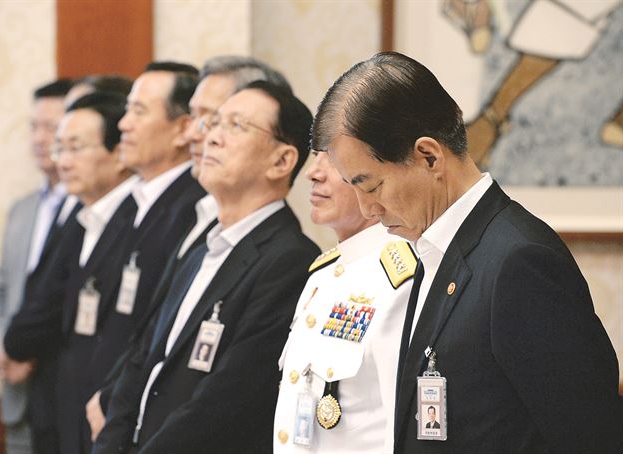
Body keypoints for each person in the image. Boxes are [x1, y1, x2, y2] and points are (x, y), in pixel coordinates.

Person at [311, 51, 622, 453]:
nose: (368, 208)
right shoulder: (433, 248)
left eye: (371, 186)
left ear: (429, 156)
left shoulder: (518, 261)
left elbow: (590, 436)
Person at [94, 81, 319, 454]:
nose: (212, 137)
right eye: (215, 123)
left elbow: (226, 402)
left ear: (282, 161)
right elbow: (142, 361)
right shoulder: (201, 248)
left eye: (236, 126)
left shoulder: (289, 261)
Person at [3, 91, 138, 454]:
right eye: (59, 149)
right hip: (60, 405)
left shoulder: (137, 220)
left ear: (118, 152)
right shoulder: (81, 215)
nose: (63, 161)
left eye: (75, 148)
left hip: (107, 412)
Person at [273, 151, 415, 453]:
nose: (313, 173)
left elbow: (400, 427)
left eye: (334, 160)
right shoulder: (322, 274)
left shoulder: (398, 278)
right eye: (314, 156)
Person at [0, 78, 72, 454]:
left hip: (63, 389)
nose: (40, 138)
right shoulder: (22, 211)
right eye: (34, 127)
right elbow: (2, 291)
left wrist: (30, 350)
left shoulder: (92, 213)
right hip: (17, 391)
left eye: (51, 127)